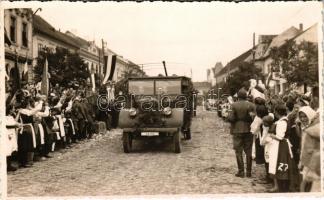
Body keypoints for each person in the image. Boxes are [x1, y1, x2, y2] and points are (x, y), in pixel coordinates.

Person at [267, 104, 299, 192]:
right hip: (282, 145)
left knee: (277, 164)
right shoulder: (284, 120)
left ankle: (279, 186)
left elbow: (280, 136)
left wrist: (271, 135)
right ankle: (280, 186)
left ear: (277, 112)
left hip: (280, 146)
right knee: (279, 165)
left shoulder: (282, 122)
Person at [228, 88, 255, 178]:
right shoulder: (251, 105)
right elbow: (254, 118)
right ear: (246, 96)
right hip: (249, 129)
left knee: (238, 151)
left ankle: (241, 171)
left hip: (237, 129)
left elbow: (231, 118)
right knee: (249, 151)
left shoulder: (234, 105)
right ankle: (249, 172)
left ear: (238, 96)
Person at [297, 106, 320, 192]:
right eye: (301, 117)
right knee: (304, 182)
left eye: (305, 116)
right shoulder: (303, 127)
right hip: (306, 158)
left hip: (314, 160)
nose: (303, 119)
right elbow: (303, 145)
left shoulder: (314, 129)